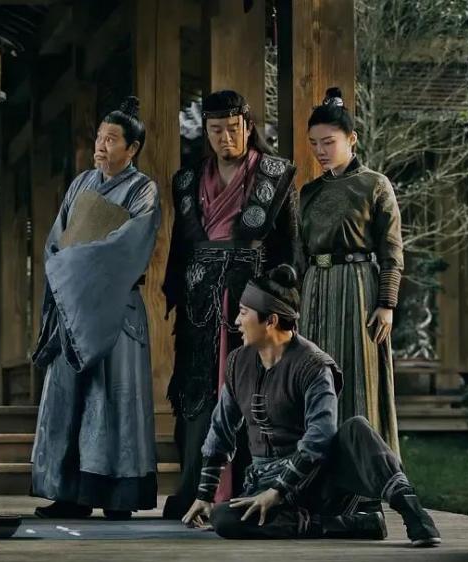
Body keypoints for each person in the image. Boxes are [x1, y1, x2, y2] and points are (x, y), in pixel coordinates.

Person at [181, 266, 440, 547]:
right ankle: (350, 525)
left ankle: (415, 515)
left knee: (358, 429)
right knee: (223, 519)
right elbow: (221, 430)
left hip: (316, 483)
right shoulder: (237, 363)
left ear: (271, 321)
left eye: (244, 313)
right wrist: (205, 495)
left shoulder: (314, 365)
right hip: (263, 482)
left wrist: (279, 490)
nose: (236, 321)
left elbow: (320, 435)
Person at [162, 90, 300, 518]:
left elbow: (289, 246)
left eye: (233, 128)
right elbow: (181, 245)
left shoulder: (274, 174)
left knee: (250, 385)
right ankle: (195, 488)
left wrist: (280, 302)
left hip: (252, 296)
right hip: (201, 297)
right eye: (216, 130)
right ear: (206, 132)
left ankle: (246, 486)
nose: (225, 138)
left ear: (248, 126)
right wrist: (176, 291)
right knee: (198, 388)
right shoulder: (188, 180)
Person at [30, 97, 161, 520]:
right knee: (68, 396)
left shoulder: (143, 190)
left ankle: (117, 495)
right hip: (73, 307)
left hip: (115, 307)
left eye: (112, 140)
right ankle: (68, 493)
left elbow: (126, 247)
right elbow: (56, 241)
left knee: (113, 397)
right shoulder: (81, 184)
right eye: (99, 138)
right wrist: (64, 268)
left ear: (132, 148)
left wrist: (71, 263)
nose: (101, 146)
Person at [298, 87, 403, 454]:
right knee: (315, 377)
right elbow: (299, 253)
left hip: (357, 289)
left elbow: (391, 249)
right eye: (314, 143)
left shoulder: (374, 184)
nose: (320, 151)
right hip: (314, 289)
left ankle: (364, 472)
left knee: (359, 377)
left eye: (328, 142)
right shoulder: (309, 192)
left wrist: (387, 303)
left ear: (352, 139)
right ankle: (316, 470)